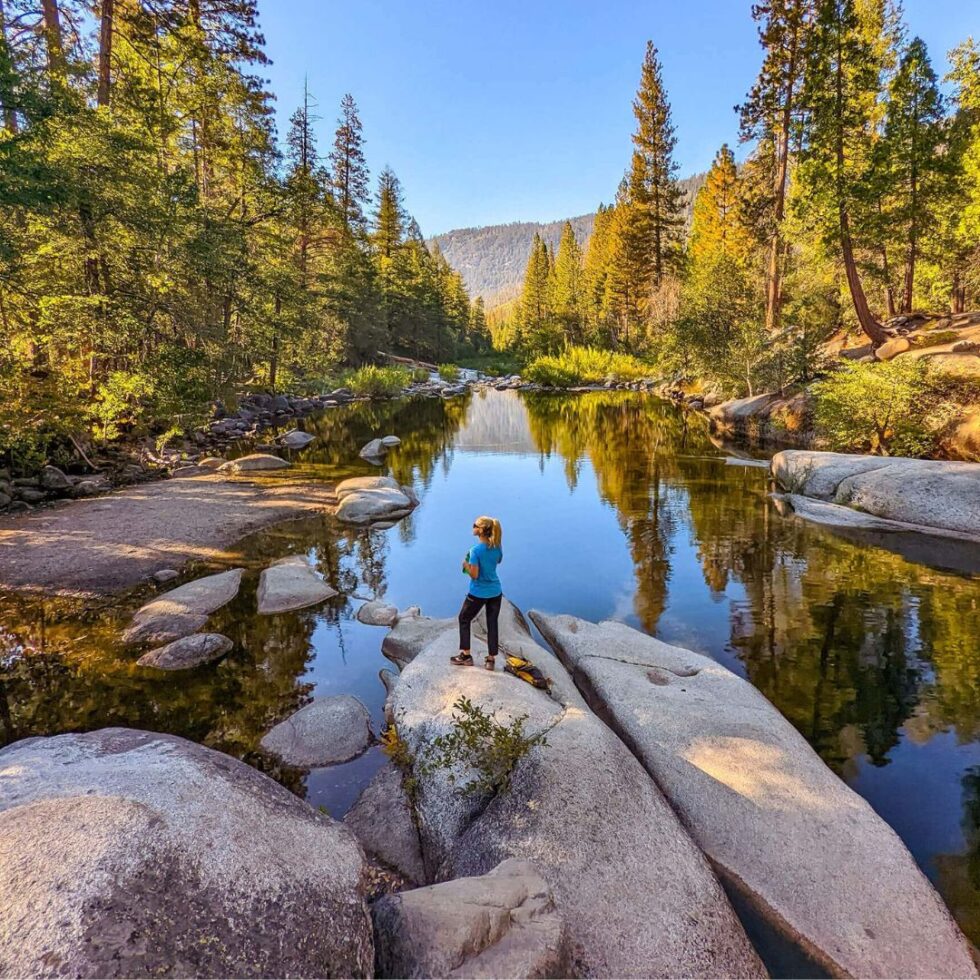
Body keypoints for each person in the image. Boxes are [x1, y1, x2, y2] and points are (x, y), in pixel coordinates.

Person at [450, 516, 503, 670]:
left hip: (478, 593)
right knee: (492, 623)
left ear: (480, 530)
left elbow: (474, 575)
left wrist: (466, 565)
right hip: (495, 592)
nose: (472, 527)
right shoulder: (497, 547)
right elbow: (498, 561)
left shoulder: (475, 551)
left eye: (474, 525)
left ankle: (466, 656)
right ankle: (491, 659)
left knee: (464, 618)